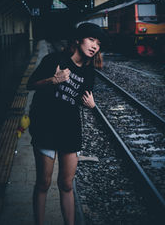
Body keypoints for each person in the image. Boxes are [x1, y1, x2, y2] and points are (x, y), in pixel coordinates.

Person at [27, 22, 107, 225]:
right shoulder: (54, 60)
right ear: (78, 40)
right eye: (91, 40)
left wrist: (91, 106)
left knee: (66, 184)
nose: (95, 46)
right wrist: (53, 80)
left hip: (70, 130)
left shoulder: (89, 73)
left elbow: (82, 99)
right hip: (45, 127)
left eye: (98, 43)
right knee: (43, 183)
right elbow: (30, 84)